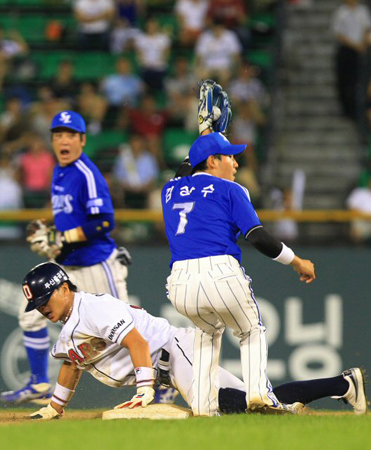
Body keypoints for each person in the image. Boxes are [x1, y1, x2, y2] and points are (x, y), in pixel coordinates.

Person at [22, 263, 367, 419]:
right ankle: (344, 383)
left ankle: (323, 394)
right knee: (262, 400)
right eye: (36, 306)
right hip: (175, 359)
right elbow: (71, 362)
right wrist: (55, 406)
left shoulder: (92, 307)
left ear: (64, 289)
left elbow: (137, 342)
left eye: (44, 300)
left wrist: (144, 389)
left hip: (177, 353)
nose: (42, 309)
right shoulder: (70, 326)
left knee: (233, 408)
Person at [160, 82, 316, 416]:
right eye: (230, 157)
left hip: (180, 284)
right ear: (214, 160)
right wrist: (296, 260)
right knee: (251, 330)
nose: (236, 163)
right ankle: (259, 395)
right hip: (220, 272)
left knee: (205, 333)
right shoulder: (232, 191)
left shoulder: (170, 191)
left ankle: (203, 409)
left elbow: (186, 170)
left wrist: (205, 134)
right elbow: (258, 237)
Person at [0, 110, 131, 405]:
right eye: (58, 134)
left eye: (71, 134)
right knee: (29, 312)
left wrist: (64, 238)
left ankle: (162, 380)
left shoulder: (87, 173)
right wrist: (52, 233)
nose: (64, 140)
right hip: (68, 265)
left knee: (124, 328)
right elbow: (70, 216)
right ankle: (37, 383)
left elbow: (104, 222)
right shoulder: (60, 170)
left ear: (82, 140)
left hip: (96, 262)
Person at [332, 0, 371, 120]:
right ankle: (346, 109)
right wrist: (355, 45)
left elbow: (367, 29)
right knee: (344, 80)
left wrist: (363, 44)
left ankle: (357, 109)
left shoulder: (363, 11)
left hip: (360, 49)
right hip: (346, 49)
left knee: (358, 80)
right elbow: (338, 33)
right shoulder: (341, 12)